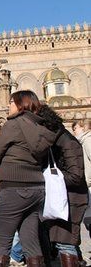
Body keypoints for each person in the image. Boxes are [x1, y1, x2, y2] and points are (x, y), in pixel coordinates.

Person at [0, 90, 57, 267]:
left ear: (20, 104)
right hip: (37, 189)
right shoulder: (43, 128)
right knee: (31, 242)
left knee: (2, 243)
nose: (8, 105)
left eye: (11, 102)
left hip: (13, 189)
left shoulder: (14, 124)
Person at [38, 105, 88, 267]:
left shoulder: (67, 141)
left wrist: (50, 180)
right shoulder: (53, 141)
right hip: (60, 199)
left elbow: (76, 175)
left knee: (65, 242)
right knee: (62, 241)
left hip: (71, 200)